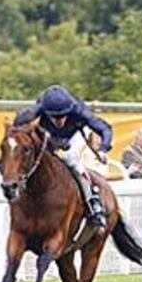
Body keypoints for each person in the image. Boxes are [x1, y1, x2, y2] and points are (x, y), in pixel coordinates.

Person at [13, 84, 111, 230]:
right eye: (54, 116)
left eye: (62, 116)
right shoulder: (37, 110)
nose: (59, 120)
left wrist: (103, 149)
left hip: (72, 137)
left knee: (73, 162)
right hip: (49, 136)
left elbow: (105, 128)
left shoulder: (79, 110)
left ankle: (93, 204)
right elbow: (16, 126)